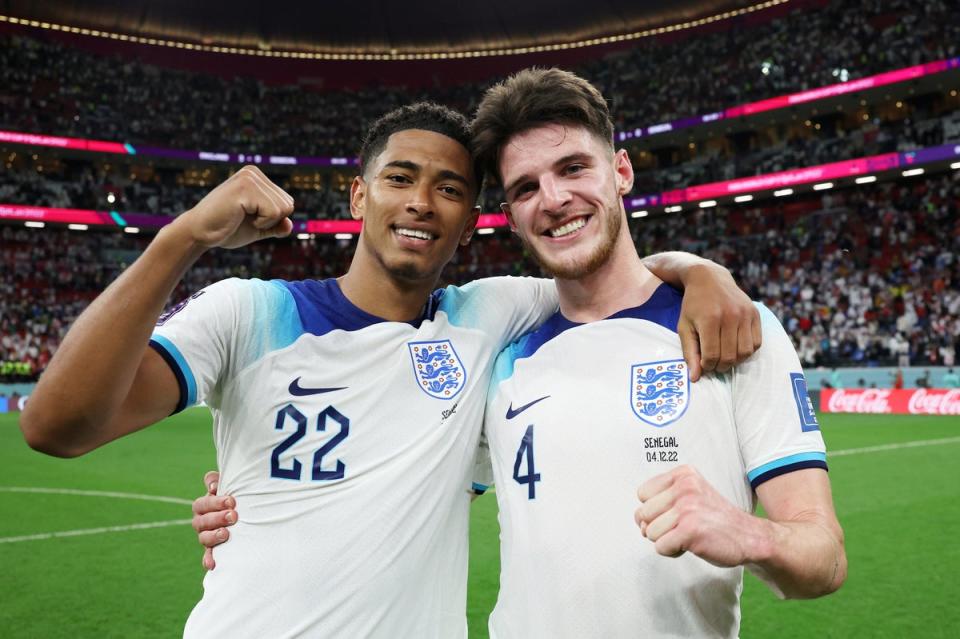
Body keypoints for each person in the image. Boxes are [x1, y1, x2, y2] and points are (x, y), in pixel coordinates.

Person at [20, 102, 759, 637]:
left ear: (472, 221)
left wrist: (704, 274)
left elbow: (609, 270)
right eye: (400, 177)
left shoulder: (486, 317)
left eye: (449, 188)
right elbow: (55, 426)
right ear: (358, 196)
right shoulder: (247, 313)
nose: (421, 201)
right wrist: (182, 239)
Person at [469, 68, 846, 637]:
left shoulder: (735, 329)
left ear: (620, 171)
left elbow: (825, 560)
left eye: (573, 167)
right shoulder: (499, 355)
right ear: (510, 217)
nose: (553, 198)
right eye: (525, 187)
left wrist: (751, 535)